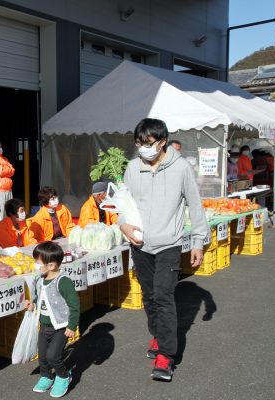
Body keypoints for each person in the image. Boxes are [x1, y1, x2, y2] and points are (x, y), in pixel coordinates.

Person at [119, 118, 208, 382]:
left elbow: (195, 203)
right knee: (148, 297)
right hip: (140, 244)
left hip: (169, 244)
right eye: (139, 143)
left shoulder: (180, 168)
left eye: (148, 143)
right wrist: (123, 225)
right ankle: (158, 334)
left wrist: (198, 242)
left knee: (163, 297)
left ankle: (166, 356)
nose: (143, 149)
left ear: (163, 141)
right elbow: (122, 204)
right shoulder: (133, 168)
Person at [24, 241, 79, 398]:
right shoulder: (41, 279)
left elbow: (74, 305)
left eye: (38, 262)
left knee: (53, 356)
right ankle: (47, 376)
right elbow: (41, 300)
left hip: (61, 327)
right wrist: (32, 306)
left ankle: (63, 376)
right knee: (42, 355)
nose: (35, 265)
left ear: (51, 265)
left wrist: (72, 325)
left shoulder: (63, 282)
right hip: (44, 326)